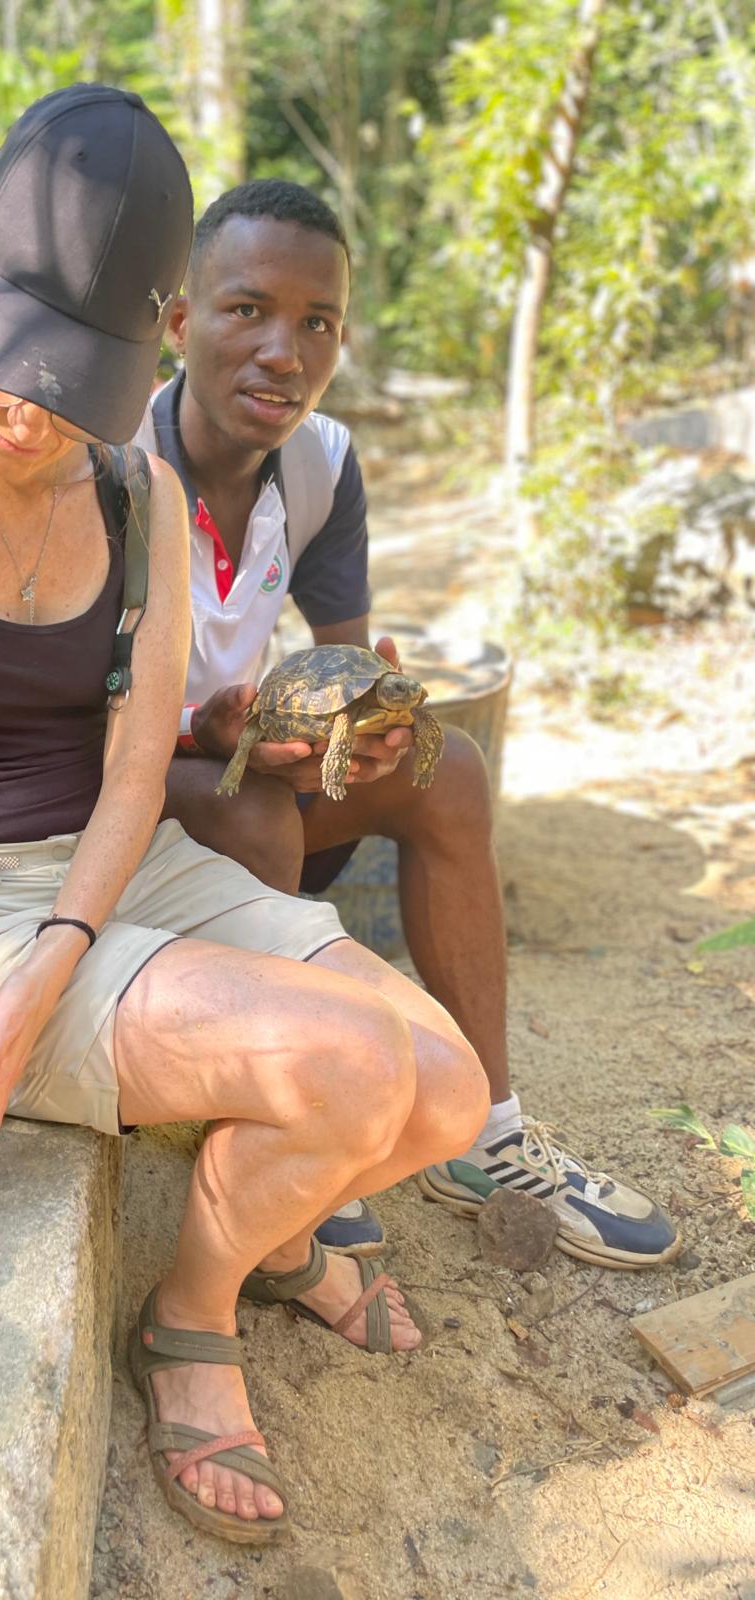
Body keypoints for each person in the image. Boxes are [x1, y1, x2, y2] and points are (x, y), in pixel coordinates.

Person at [0, 87, 487, 1545]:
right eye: (8, 370)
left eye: (74, 390)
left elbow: (134, 775)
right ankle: (192, 1318)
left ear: (149, 346)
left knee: (445, 1090)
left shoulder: (139, 496)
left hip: (117, 871)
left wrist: (73, 940)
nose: (30, 415)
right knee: (353, 1068)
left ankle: (276, 1227)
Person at [143, 178, 680, 1271]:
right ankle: (294, 1114)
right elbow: (72, 717)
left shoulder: (322, 463)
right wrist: (212, 733)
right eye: (248, 309)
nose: (284, 351)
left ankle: (487, 1132)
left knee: (454, 775)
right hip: (125, 781)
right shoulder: (113, 463)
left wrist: (371, 724)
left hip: (246, 745)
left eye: (318, 322)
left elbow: (346, 659)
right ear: (180, 323)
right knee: (258, 817)